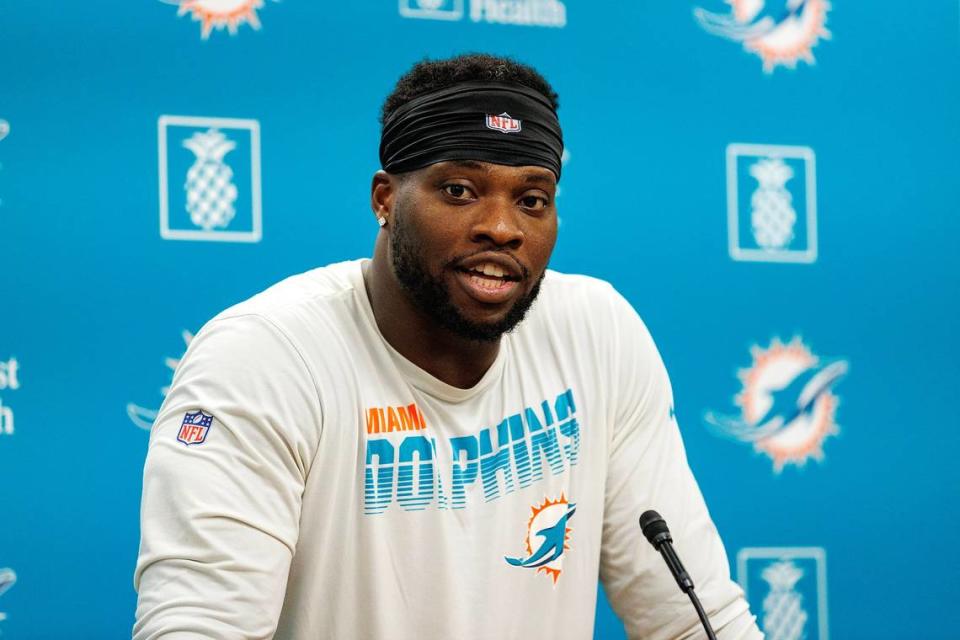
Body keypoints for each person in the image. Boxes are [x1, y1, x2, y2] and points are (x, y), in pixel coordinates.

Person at [134, 53, 762, 640]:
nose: (502, 227)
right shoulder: (266, 358)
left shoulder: (596, 331)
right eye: (459, 190)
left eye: (531, 199)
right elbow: (198, 626)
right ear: (386, 199)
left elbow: (694, 619)